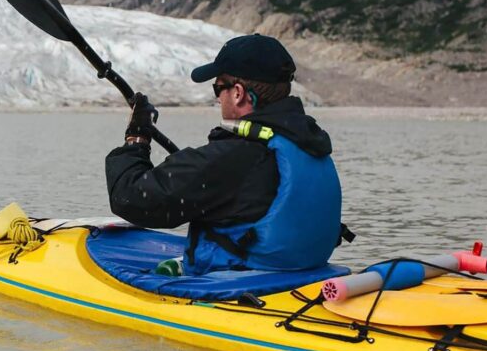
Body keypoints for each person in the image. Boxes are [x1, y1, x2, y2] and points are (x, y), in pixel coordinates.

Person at [105, 34, 347, 275]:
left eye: (218, 88)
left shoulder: (235, 156)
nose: (218, 97)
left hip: (245, 286)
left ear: (238, 92)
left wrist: (136, 139)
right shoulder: (307, 142)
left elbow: (130, 197)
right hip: (303, 274)